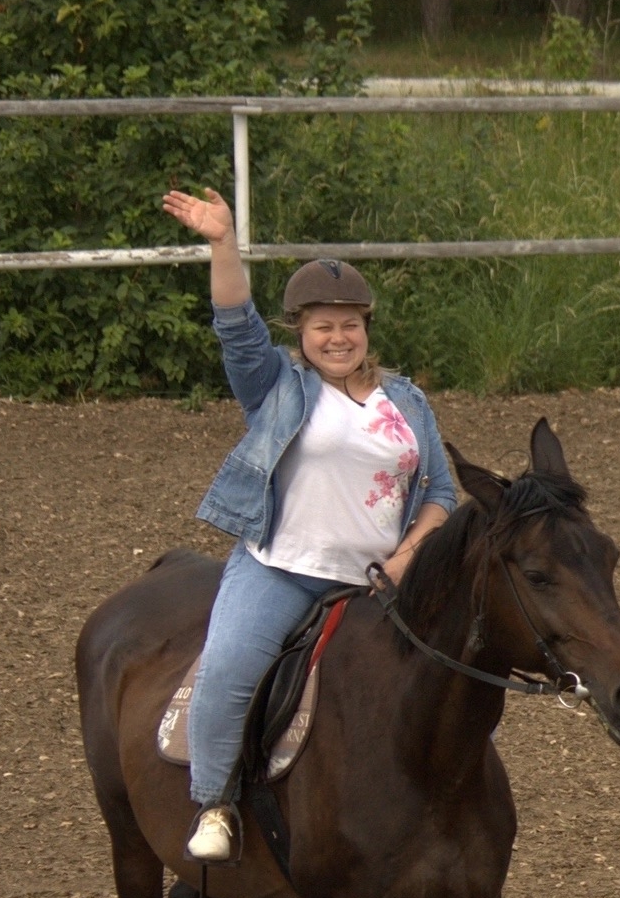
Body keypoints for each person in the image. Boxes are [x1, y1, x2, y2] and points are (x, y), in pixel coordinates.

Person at [158, 187, 458, 863]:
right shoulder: (277, 386)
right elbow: (237, 327)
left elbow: (440, 491)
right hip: (282, 570)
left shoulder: (406, 400)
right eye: (323, 326)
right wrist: (223, 244)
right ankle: (215, 802)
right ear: (300, 331)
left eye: (350, 324)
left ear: (367, 328)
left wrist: (409, 556)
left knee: (452, 676)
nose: (338, 337)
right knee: (228, 669)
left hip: (380, 583)